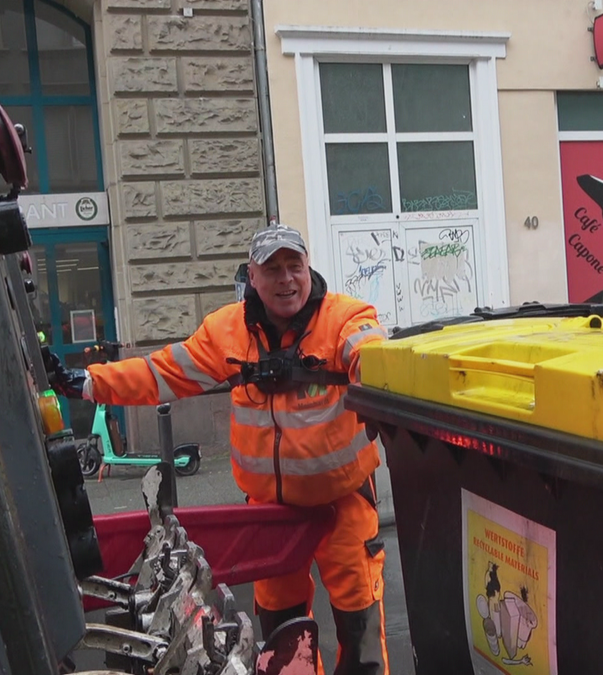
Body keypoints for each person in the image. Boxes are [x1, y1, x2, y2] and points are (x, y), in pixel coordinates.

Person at [43, 224, 391, 675]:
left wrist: (377, 379)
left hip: (343, 503)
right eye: (273, 270)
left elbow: (368, 346)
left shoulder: (345, 315)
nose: (286, 279)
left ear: (309, 268)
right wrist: (87, 382)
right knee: (285, 638)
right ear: (252, 276)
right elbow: (160, 373)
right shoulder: (227, 331)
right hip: (270, 513)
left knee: (360, 629)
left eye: (294, 266)